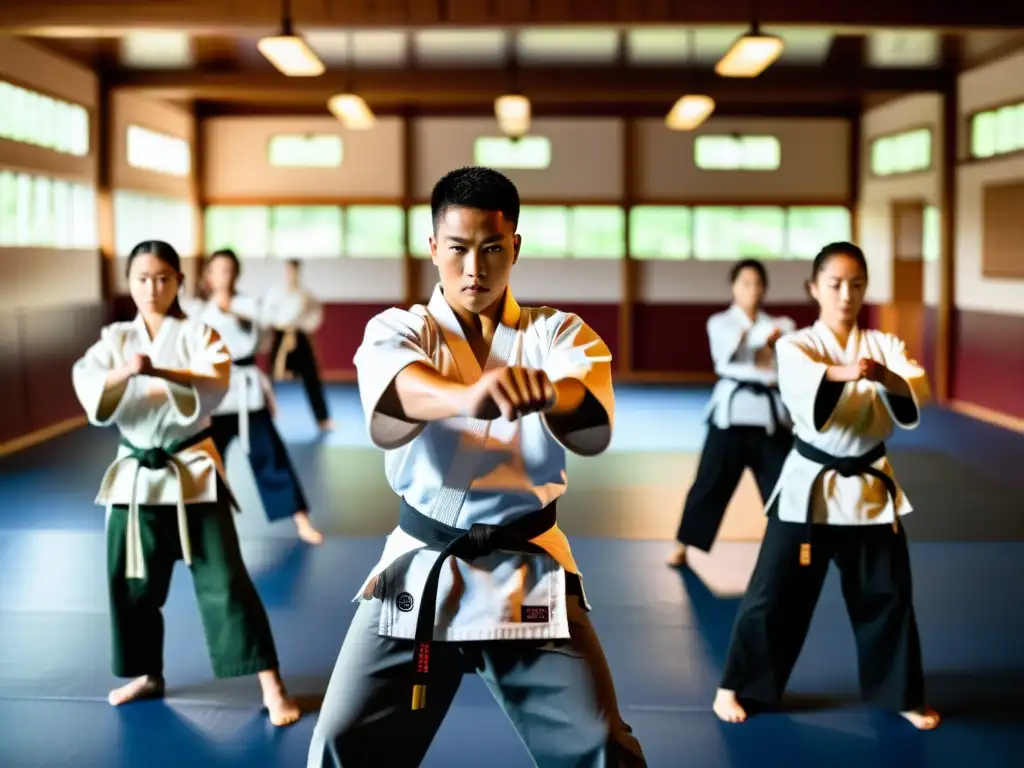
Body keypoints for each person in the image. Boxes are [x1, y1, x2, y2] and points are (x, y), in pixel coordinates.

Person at [307, 167, 647, 767]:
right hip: (422, 564)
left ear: (515, 246)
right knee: (340, 740)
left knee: (600, 747)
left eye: (492, 250)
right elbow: (399, 391)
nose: (475, 269)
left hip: (527, 568)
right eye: (458, 249)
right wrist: (466, 397)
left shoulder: (558, 333)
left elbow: (585, 408)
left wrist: (546, 391)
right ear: (432, 246)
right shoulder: (399, 329)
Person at [711, 242, 940, 731]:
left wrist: (879, 373)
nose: (845, 294)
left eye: (856, 284)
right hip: (808, 490)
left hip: (870, 492)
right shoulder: (798, 345)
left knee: (887, 594)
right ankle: (735, 685)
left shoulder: (884, 346)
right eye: (834, 283)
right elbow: (801, 382)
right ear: (814, 288)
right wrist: (848, 372)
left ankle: (900, 691)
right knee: (774, 594)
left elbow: (914, 384)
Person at [71, 240, 301, 726]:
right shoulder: (115, 338)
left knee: (227, 580)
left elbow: (210, 381)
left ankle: (271, 683)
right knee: (132, 583)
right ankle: (148, 674)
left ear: (178, 281)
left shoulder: (200, 334)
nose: (152, 288)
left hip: (193, 474)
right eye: (141, 279)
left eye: (162, 278)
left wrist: (155, 373)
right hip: (135, 479)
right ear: (129, 283)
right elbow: (90, 386)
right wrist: (126, 372)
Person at [184, 248, 324, 545]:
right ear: (208, 276)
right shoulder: (199, 312)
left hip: (248, 393)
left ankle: (301, 521)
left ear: (237, 273)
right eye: (218, 270)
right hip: (215, 393)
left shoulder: (250, 305)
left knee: (271, 456)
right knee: (206, 462)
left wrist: (231, 312)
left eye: (229, 269)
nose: (224, 275)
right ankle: (197, 524)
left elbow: (262, 338)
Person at [668, 260, 795, 567]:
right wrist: (758, 341)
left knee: (784, 486)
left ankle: (791, 547)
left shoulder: (781, 324)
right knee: (709, 484)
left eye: (757, 283)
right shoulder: (720, 323)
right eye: (745, 282)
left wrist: (769, 342)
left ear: (764, 288)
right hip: (730, 417)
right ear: (734, 287)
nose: (751, 289)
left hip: (769, 417)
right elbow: (727, 356)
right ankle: (683, 545)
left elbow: (785, 360)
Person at [264, 259, 334, 431]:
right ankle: (264, 416)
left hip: (299, 335)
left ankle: (323, 418)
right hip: (281, 336)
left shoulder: (305, 294)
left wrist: (307, 326)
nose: (291, 274)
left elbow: (315, 315)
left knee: (312, 376)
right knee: (268, 377)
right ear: (285, 271)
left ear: (298, 272)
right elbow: (267, 313)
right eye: (288, 270)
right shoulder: (276, 292)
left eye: (294, 270)